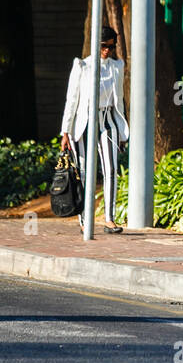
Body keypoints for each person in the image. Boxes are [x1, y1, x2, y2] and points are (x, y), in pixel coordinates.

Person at [60, 26, 129, 233]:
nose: (107, 50)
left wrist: (122, 128)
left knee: (111, 169)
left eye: (111, 46)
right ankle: (84, 219)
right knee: (83, 170)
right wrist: (65, 130)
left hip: (108, 120)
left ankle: (109, 218)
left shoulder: (117, 67)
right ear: (95, 44)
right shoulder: (82, 66)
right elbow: (71, 99)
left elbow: (120, 100)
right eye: (103, 46)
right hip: (84, 122)